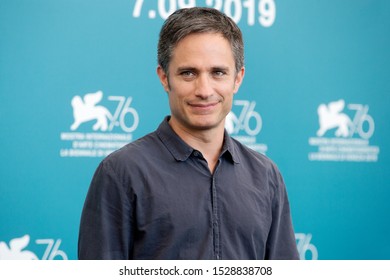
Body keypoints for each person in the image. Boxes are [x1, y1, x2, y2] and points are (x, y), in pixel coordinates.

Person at [78, 7, 299, 260]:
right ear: (164, 77)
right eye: (188, 73)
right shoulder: (121, 173)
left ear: (238, 79)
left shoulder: (266, 176)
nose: (204, 90)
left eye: (218, 72)